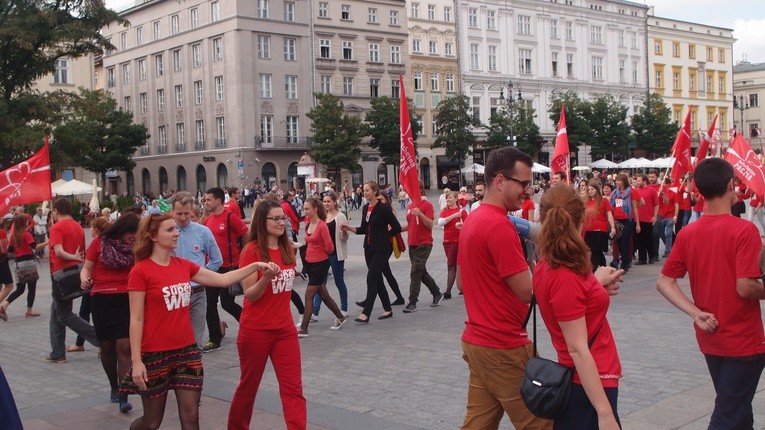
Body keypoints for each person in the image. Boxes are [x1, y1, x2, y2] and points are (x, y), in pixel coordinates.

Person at [121, 213, 277, 430]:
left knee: (191, 417)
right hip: (155, 354)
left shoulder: (183, 265)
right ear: (153, 236)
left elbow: (223, 279)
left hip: (186, 351)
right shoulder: (141, 271)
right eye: (170, 230)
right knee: (152, 422)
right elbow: (136, 319)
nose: (176, 233)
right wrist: (137, 362)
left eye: (175, 228)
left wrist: (256, 266)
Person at [658, 158, 765, 430]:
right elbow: (746, 287)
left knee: (737, 410)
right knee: (728, 415)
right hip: (743, 342)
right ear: (731, 185)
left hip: (710, 336)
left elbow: (665, 282)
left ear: (698, 190)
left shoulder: (687, 233)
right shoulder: (744, 230)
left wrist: (696, 313)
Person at [457, 147, 551, 429]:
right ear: (500, 181)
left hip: (477, 340)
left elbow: (461, 283)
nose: (528, 191)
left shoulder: (473, 219)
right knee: (540, 423)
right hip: (504, 345)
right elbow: (528, 291)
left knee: (478, 424)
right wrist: (545, 256)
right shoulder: (499, 225)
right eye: (523, 183)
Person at [533, 185, 624, 429]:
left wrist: (596, 287)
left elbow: (572, 305)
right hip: (587, 381)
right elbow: (577, 349)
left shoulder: (549, 264)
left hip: (587, 378)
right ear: (582, 217)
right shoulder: (564, 274)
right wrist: (604, 413)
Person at [228, 200, 307, 429]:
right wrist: (265, 278)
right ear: (262, 222)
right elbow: (250, 296)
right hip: (256, 331)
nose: (282, 223)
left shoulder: (288, 248)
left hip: (285, 331)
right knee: (248, 387)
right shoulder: (251, 251)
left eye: (283, 218)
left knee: (293, 389)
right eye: (276, 219)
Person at [80, 213, 140, 413]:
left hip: (127, 297)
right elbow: (87, 268)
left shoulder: (137, 247)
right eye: (131, 233)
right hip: (101, 298)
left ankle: (124, 394)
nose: (133, 236)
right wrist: (84, 278)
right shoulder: (100, 242)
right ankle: (114, 386)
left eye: (136, 233)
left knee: (124, 346)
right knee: (106, 347)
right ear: (121, 230)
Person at [48, 198, 99, 363]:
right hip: (76, 272)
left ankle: (101, 340)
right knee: (55, 312)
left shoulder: (57, 227)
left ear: (56, 211)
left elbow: (59, 251)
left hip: (61, 274)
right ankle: (57, 351)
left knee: (63, 314)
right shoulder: (78, 226)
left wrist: (72, 257)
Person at [341, 181, 400, 323]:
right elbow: (363, 229)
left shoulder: (384, 208)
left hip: (382, 248)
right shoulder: (366, 207)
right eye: (364, 190)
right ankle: (387, 309)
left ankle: (366, 312)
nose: (365, 192)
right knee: (378, 279)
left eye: (367, 190)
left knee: (371, 278)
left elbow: (396, 227)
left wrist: (385, 235)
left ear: (374, 191)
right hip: (368, 247)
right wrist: (349, 228)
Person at [172, 192, 223, 350]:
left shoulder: (203, 232)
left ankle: (194, 373)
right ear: (172, 211)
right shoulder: (166, 231)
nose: (182, 218)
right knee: (176, 340)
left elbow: (217, 260)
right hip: (174, 294)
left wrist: (202, 275)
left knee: (195, 343)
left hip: (197, 293)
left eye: (187, 214)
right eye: (179, 213)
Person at [201, 187, 248, 352]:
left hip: (229, 267)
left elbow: (245, 233)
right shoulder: (207, 220)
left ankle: (249, 326)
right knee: (210, 304)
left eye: (208, 199)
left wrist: (243, 254)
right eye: (204, 200)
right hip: (212, 268)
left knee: (227, 303)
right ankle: (214, 338)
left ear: (218, 200)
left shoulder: (229, 217)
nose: (205, 203)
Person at [296, 197, 346, 337]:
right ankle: (340, 317)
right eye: (304, 208)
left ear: (315, 210)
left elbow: (330, 247)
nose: (305, 211)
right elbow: (309, 243)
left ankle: (304, 328)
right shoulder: (307, 225)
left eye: (307, 209)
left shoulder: (322, 225)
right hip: (310, 263)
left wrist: (320, 252)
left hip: (320, 264)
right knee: (324, 295)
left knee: (309, 295)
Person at [401, 186, 444, 313]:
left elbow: (430, 224)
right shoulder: (409, 207)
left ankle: (412, 301)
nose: (409, 191)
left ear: (420, 190)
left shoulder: (427, 205)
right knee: (420, 272)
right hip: (412, 243)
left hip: (424, 243)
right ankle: (436, 292)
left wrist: (420, 214)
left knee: (415, 272)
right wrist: (395, 230)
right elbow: (410, 225)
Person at [312, 191, 349, 319]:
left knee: (339, 281)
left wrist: (344, 231)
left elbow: (344, 238)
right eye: (325, 201)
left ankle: (344, 308)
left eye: (329, 201)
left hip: (336, 253)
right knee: (320, 283)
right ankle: (315, 312)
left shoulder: (340, 216)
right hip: (323, 254)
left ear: (334, 202)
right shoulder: (322, 216)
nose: (326, 204)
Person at [1, 215, 45, 318]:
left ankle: (5, 304)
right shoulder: (26, 234)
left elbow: (10, 251)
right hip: (29, 262)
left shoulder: (13, 236)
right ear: (23, 223)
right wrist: (48, 242)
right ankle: (29, 310)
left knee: (20, 289)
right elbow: (35, 246)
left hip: (18, 264)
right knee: (32, 287)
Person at [438, 191, 467, 299]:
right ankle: (462, 287)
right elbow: (441, 222)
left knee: (451, 265)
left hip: (457, 241)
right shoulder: (445, 211)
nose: (448, 200)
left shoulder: (462, 211)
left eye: (450, 197)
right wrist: (454, 215)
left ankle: (448, 291)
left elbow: (469, 225)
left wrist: (461, 225)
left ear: (456, 199)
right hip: (447, 241)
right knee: (454, 265)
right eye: (447, 198)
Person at [609, 173, 640, 272]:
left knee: (625, 241)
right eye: (616, 180)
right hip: (617, 220)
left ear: (624, 181)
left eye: (619, 180)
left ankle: (625, 263)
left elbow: (635, 208)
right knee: (618, 240)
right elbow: (611, 207)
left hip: (628, 220)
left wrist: (638, 223)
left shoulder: (630, 192)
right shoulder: (614, 193)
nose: (617, 182)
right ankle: (623, 259)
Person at [583, 180, 616, 270]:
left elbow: (609, 215)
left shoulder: (604, 201)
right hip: (588, 230)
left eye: (592, 189)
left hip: (600, 230)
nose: (590, 191)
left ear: (597, 190)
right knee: (595, 251)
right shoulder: (586, 202)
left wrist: (613, 227)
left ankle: (593, 270)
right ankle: (604, 268)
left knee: (595, 251)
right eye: (589, 189)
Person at [634, 174, 658, 265]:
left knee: (648, 239)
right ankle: (642, 258)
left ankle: (651, 256)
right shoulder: (636, 191)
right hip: (638, 218)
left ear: (644, 181)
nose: (638, 182)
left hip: (648, 218)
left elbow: (656, 204)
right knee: (640, 240)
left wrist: (654, 216)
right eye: (637, 181)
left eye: (639, 181)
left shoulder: (651, 190)